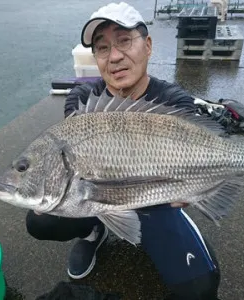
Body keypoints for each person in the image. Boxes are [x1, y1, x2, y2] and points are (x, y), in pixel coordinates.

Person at [26, 2, 221, 299]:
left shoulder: (173, 101)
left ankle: (157, 235)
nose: (114, 56)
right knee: (40, 218)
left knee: (200, 290)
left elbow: (198, 152)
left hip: (156, 201)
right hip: (98, 196)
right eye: (102, 48)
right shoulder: (82, 99)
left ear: (148, 46)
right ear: (96, 58)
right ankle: (94, 231)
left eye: (124, 40)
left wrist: (195, 191)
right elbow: (71, 154)